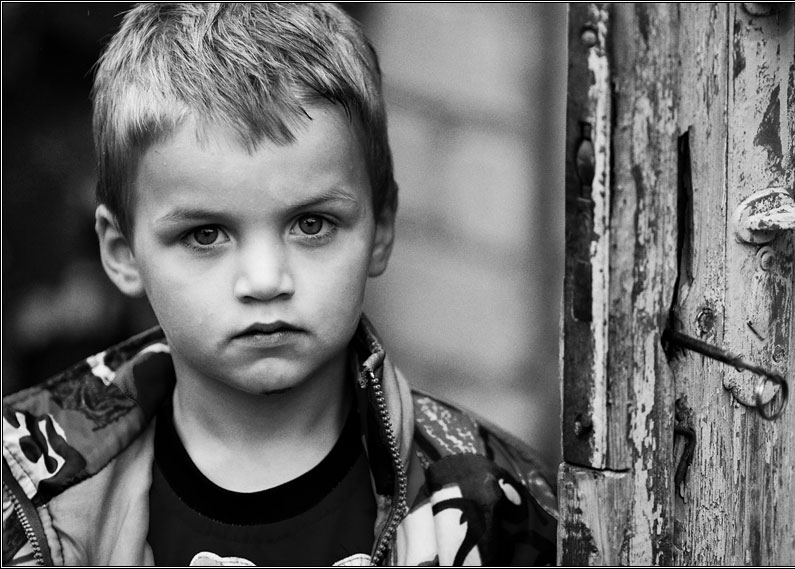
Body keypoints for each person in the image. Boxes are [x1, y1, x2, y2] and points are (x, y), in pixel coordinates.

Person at [2, 4, 557, 566]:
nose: (266, 281)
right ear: (122, 253)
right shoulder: (25, 497)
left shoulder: (495, 501)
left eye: (311, 225)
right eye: (205, 234)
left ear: (381, 228)